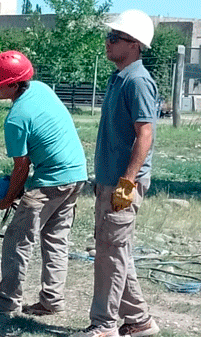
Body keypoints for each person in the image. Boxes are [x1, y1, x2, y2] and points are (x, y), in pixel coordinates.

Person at [0, 50, 88, 317]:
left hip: (51, 180)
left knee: (17, 240)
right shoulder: (40, 89)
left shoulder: (16, 118)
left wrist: (7, 199)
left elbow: (21, 167)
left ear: (14, 85)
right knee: (56, 239)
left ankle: (7, 301)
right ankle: (52, 300)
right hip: (77, 175)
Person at [72, 9, 160, 337]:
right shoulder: (119, 77)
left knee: (109, 257)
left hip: (123, 184)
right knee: (115, 251)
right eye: (109, 36)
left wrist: (127, 182)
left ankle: (105, 325)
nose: (108, 43)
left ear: (135, 44)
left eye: (115, 37)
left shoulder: (137, 81)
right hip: (110, 182)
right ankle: (139, 321)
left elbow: (145, 135)